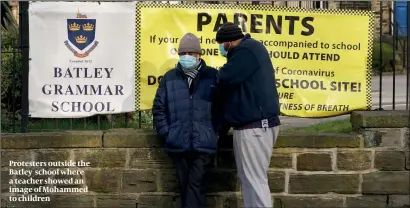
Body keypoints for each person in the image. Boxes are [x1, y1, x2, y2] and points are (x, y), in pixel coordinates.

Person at [215, 22, 281, 207]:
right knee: (250, 181)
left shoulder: (247, 50)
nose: (221, 48)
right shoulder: (249, 49)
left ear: (229, 42)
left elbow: (225, 77)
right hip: (255, 125)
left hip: (255, 127)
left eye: (221, 44)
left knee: (255, 181)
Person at [152, 32, 219, 208]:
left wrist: (215, 131)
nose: (186, 57)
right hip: (178, 142)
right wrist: (168, 132)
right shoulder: (169, 77)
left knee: (195, 186)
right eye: (183, 54)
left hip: (203, 143)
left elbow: (222, 108)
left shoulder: (212, 76)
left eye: (190, 53)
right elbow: (159, 108)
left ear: (199, 55)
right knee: (185, 187)